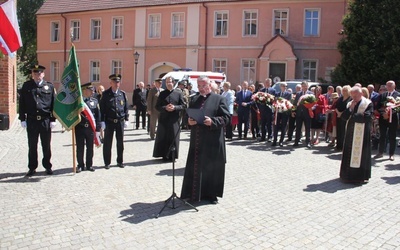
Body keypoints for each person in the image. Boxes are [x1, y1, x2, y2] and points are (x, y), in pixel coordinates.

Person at [181, 76, 230, 204]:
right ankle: (192, 193)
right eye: (199, 86)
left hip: (212, 140)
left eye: (203, 86)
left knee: (211, 168)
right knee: (196, 166)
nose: (201, 88)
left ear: (210, 85)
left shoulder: (219, 99)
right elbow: (187, 115)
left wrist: (212, 121)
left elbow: (226, 118)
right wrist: (189, 121)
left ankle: (210, 195)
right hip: (197, 139)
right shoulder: (195, 99)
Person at [19, 65, 57, 177]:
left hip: (45, 120)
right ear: (32, 74)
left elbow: (53, 104)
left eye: (39, 73)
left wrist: (53, 119)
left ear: (43, 74)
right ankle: (32, 167)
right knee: (32, 145)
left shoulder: (49, 86)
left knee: (46, 145)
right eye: (35, 73)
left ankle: (47, 166)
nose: (37, 75)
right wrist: (22, 118)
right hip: (32, 120)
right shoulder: (27, 86)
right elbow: (22, 103)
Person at [340, 86, 373, 184]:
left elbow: (367, 117)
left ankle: (359, 177)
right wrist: (350, 109)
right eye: (352, 96)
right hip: (350, 133)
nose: (353, 98)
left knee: (361, 155)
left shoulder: (367, 103)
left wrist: (353, 116)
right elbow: (343, 117)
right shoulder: (350, 104)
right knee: (349, 154)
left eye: (356, 96)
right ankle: (347, 176)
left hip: (362, 134)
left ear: (361, 94)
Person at [100, 74, 129, 169]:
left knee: (120, 142)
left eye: (118, 82)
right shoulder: (105, 94)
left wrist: (127, 119)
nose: (117, 84)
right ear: (110, 83)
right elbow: (102, 109)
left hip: (120, 121)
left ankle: (120, 161)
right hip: (109, 121)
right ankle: (107, 162)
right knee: (108, 142)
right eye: (115, 82)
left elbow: (125, 108)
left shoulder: (122, 94)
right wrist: (102, 121)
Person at [153, 76, 186, 161]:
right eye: (167, 82)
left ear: (173, 83)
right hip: (164, 119)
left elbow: (183, 105)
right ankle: (164, 155)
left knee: (173, 137)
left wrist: (175, 107)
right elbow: (157, 106)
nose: (168, 84)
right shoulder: (162, 93)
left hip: (174, 119)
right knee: (164, 137)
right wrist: (165, 108)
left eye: (170, 82)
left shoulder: (178, 93)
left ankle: (173, 155)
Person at [75, 82, 101, 172]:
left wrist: (98, 129)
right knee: (80, 147)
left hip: (90, 128)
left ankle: (89, 165)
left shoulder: (94, 101)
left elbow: (98, 116)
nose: (93, 92)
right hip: (80, 127)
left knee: (90, 147)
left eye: (93, 90)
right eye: (91, 90)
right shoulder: (78, 102)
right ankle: (80, 165)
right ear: (85, 90)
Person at [374, 80, 399, 161]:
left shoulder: (398, 95)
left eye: (391, 85)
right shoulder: (383, 95)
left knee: (392, 136)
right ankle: (380, 152)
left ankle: (391, 154)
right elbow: (378, 106)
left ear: (394, 86)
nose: (389, 87)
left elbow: (398, 107)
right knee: (382, 135)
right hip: (383, 119)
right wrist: (383, 113)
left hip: (393, 119)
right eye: (387, 85)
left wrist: (389, 114)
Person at [293, 81, 314, 148]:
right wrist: (293, 111)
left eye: (306, 86)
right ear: (301, 86)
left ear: (307, 86)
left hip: (307, 113)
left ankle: (307, 142)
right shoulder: (298, 93)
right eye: (303, 86)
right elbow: (295, 103)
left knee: (307, 128)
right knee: (298, 127)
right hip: (299, 113)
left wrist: (311, 108)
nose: (304, 87)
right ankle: (296, 141)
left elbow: (313, 103)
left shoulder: (310, 93)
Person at [272, 82, 292, 146]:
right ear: (280, 87)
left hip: (285, 112)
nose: (284, 87)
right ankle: (274, 140)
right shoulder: (277, 94)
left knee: (284, 126)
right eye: (283, 86)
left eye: (285, 86)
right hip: (278, 112)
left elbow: (289, 102)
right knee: (276, 126)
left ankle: (281, 141)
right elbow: (274, 102)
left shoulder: (289, 94)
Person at [335, 85, 352, 151]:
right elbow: (336, 106)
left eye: (346, 90)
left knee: (344, 131)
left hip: (345, 117)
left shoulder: (350, 99)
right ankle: (338, 145)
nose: (344, 92)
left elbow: (348, 108)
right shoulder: (340, 98)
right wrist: (338, 113)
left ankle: (343, 146)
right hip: (338, 116)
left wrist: (341, 114)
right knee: (338, 131)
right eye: (343, 90)